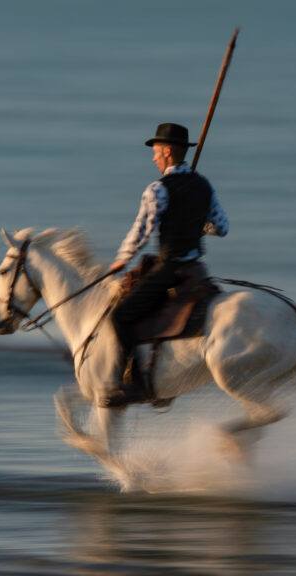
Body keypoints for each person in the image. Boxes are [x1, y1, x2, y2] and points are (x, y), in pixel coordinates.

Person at [107, 122, 229, 403]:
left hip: (170, 269)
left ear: (168, 152)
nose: (153, 158)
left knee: (120, 316)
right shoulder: (203, 185)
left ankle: (134, 384)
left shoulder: (157, 189)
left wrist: (122, 259)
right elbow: (221, 227)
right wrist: (199, 225)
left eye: (156, 152)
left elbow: (142, 230)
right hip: (196, 270)